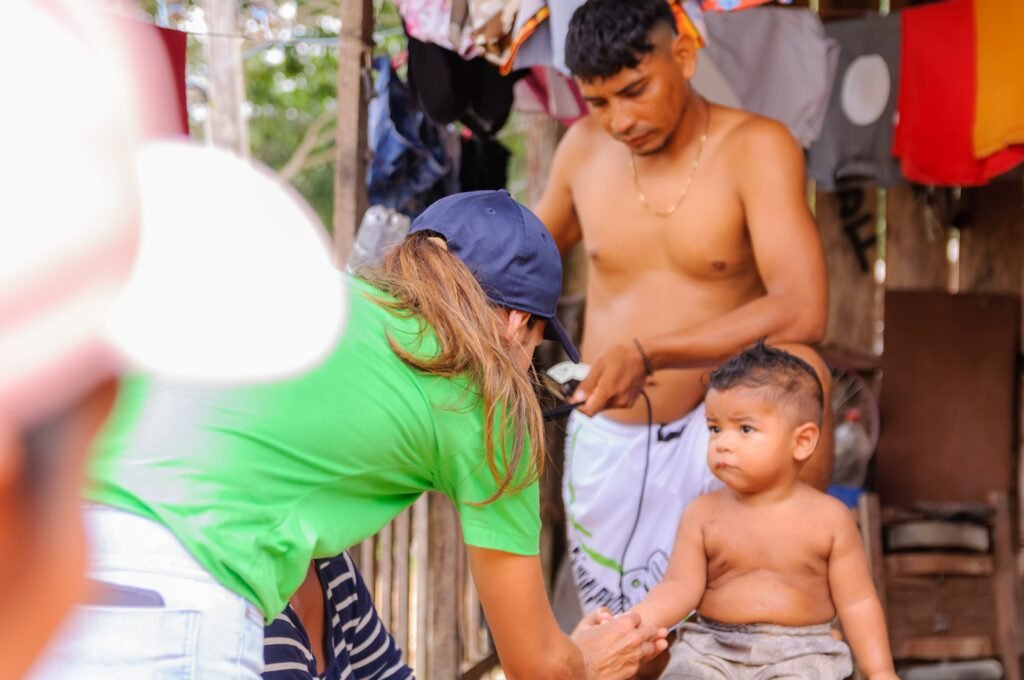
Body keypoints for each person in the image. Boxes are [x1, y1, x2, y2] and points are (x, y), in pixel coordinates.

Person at [35, 190, 667, 679]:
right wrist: (587, 657)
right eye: (533, 347)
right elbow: (537, 664)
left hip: (51, 558)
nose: (528, 366)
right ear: (518, 323)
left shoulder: (320, 295)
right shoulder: (485, 392)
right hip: (187, 592)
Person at [533, 0, 831, 620]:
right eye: (599, 102)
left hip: (716, 430)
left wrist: (652, 353)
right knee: (623, 638)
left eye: (635, 91)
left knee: (803, 368)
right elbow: (521, 264)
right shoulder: (583, 150)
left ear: (685, 57)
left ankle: (777, 622)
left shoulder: (757, 146)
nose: (619, 120)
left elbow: (804, 310)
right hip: (611, 430)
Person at [629, 343, 896, 680]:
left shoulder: (830, 519)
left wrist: (880, 671)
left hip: (802, 655)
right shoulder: (702, 514)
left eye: (745, 429)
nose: (723, 443)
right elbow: (679, 587)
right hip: (712, 649)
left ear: (801, 442)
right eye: (715, 428)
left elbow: (858, 602)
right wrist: (637, 622)